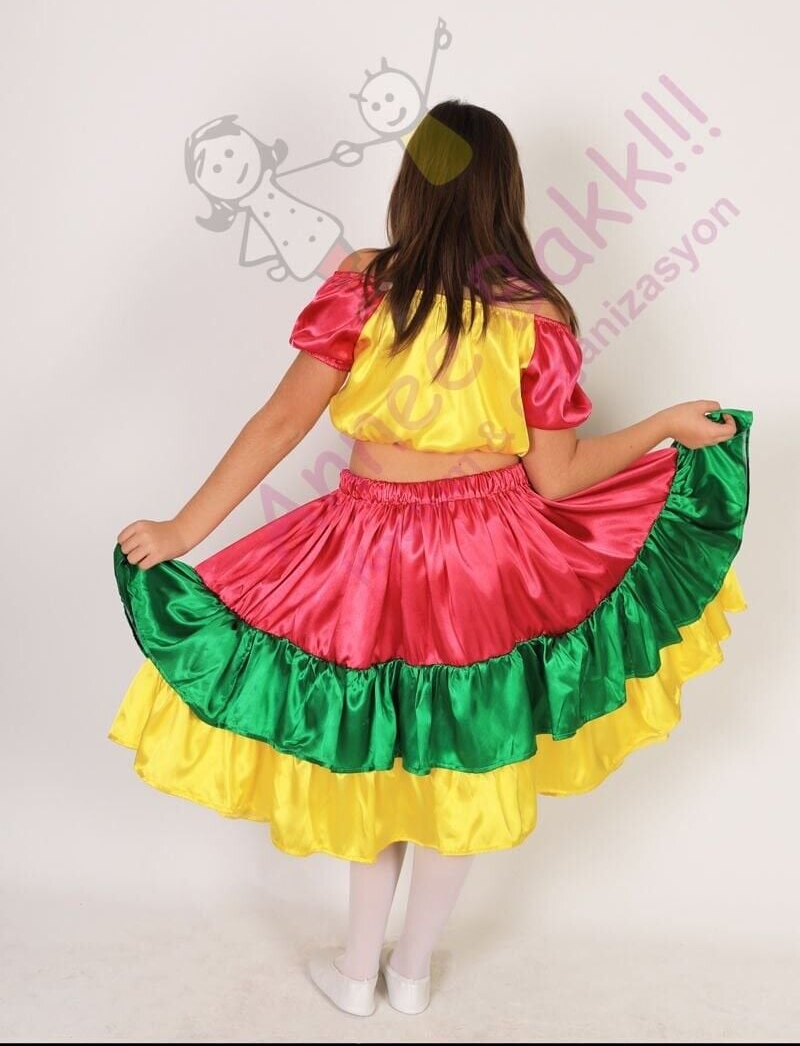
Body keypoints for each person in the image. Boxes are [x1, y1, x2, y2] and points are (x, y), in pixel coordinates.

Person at [110, 100, 752, 1018]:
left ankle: (360, 971)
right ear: (504, 193)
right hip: (488, 555)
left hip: (370, 546)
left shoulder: (368, 287)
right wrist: (658, 427)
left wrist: (185, 530)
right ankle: (408, 972)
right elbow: (561, 476)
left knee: (380, 750)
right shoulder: (535, 314)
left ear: (412, 184)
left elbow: (282, 422)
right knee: (460, 758)